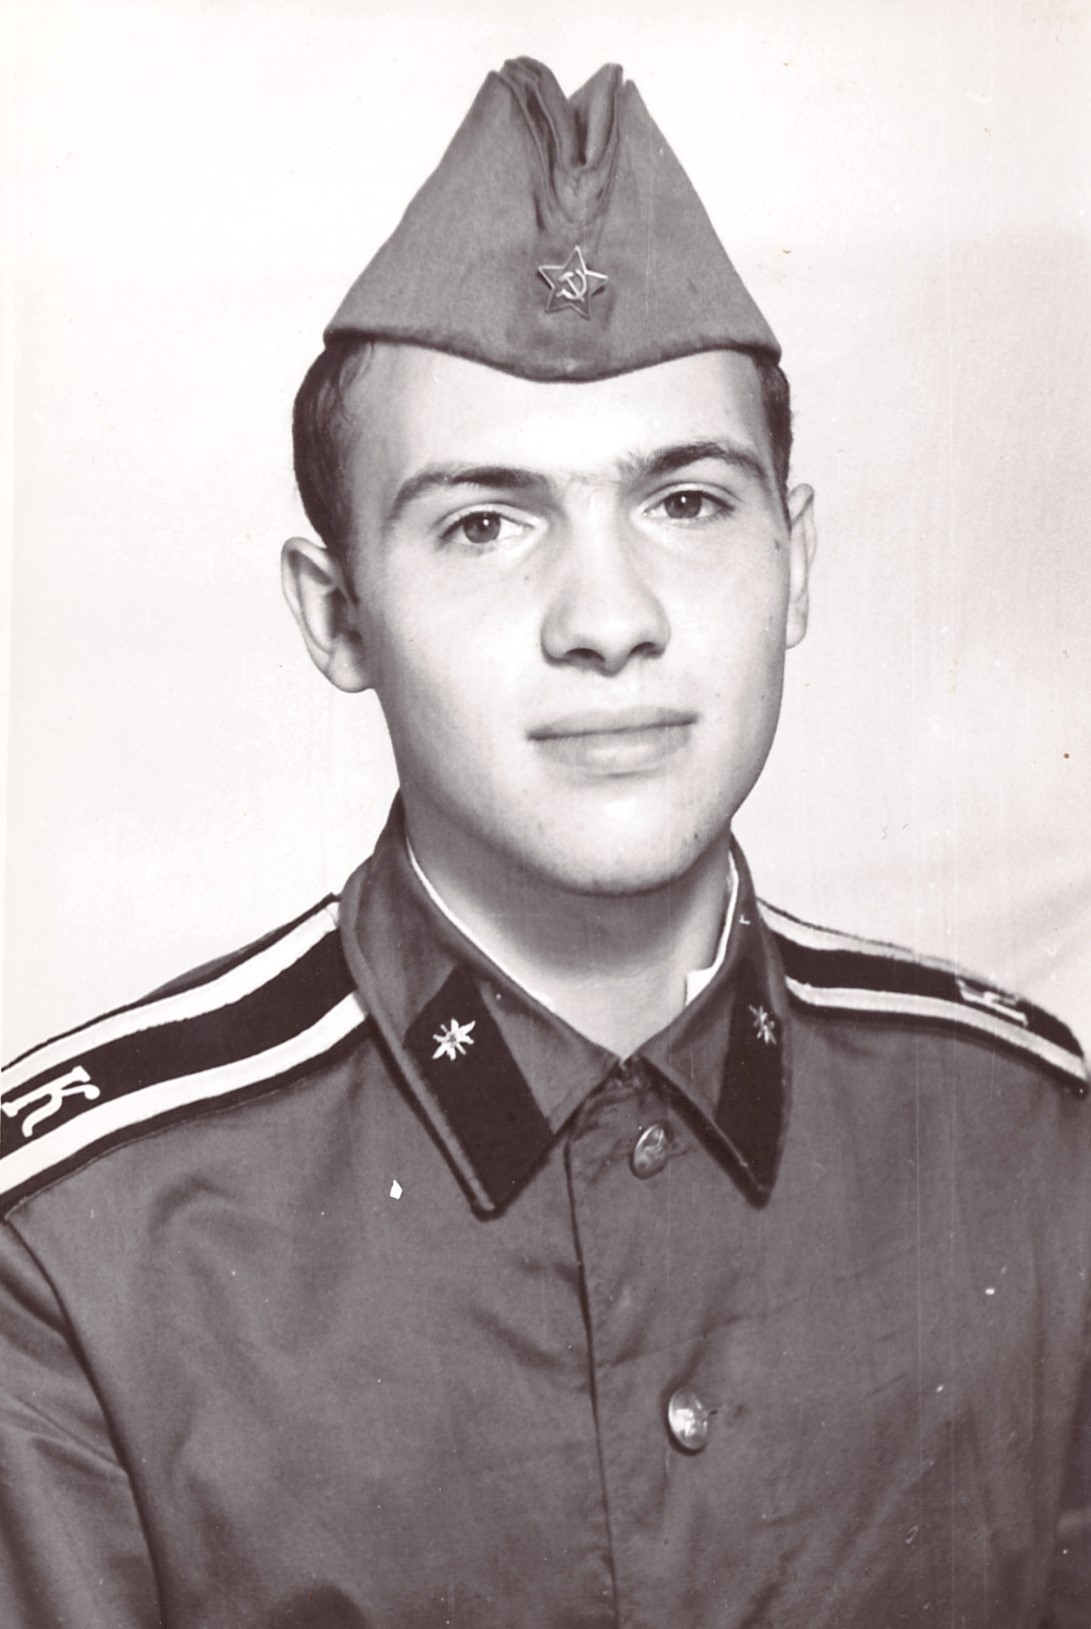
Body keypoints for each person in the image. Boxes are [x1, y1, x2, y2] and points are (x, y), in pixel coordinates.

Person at [1, 55, 1088, 1629]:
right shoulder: (84, 1247)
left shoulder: (1027, 1136)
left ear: (796, 564)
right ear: (337, 616)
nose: (609, 617)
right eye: (485, 523)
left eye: (688, 503)